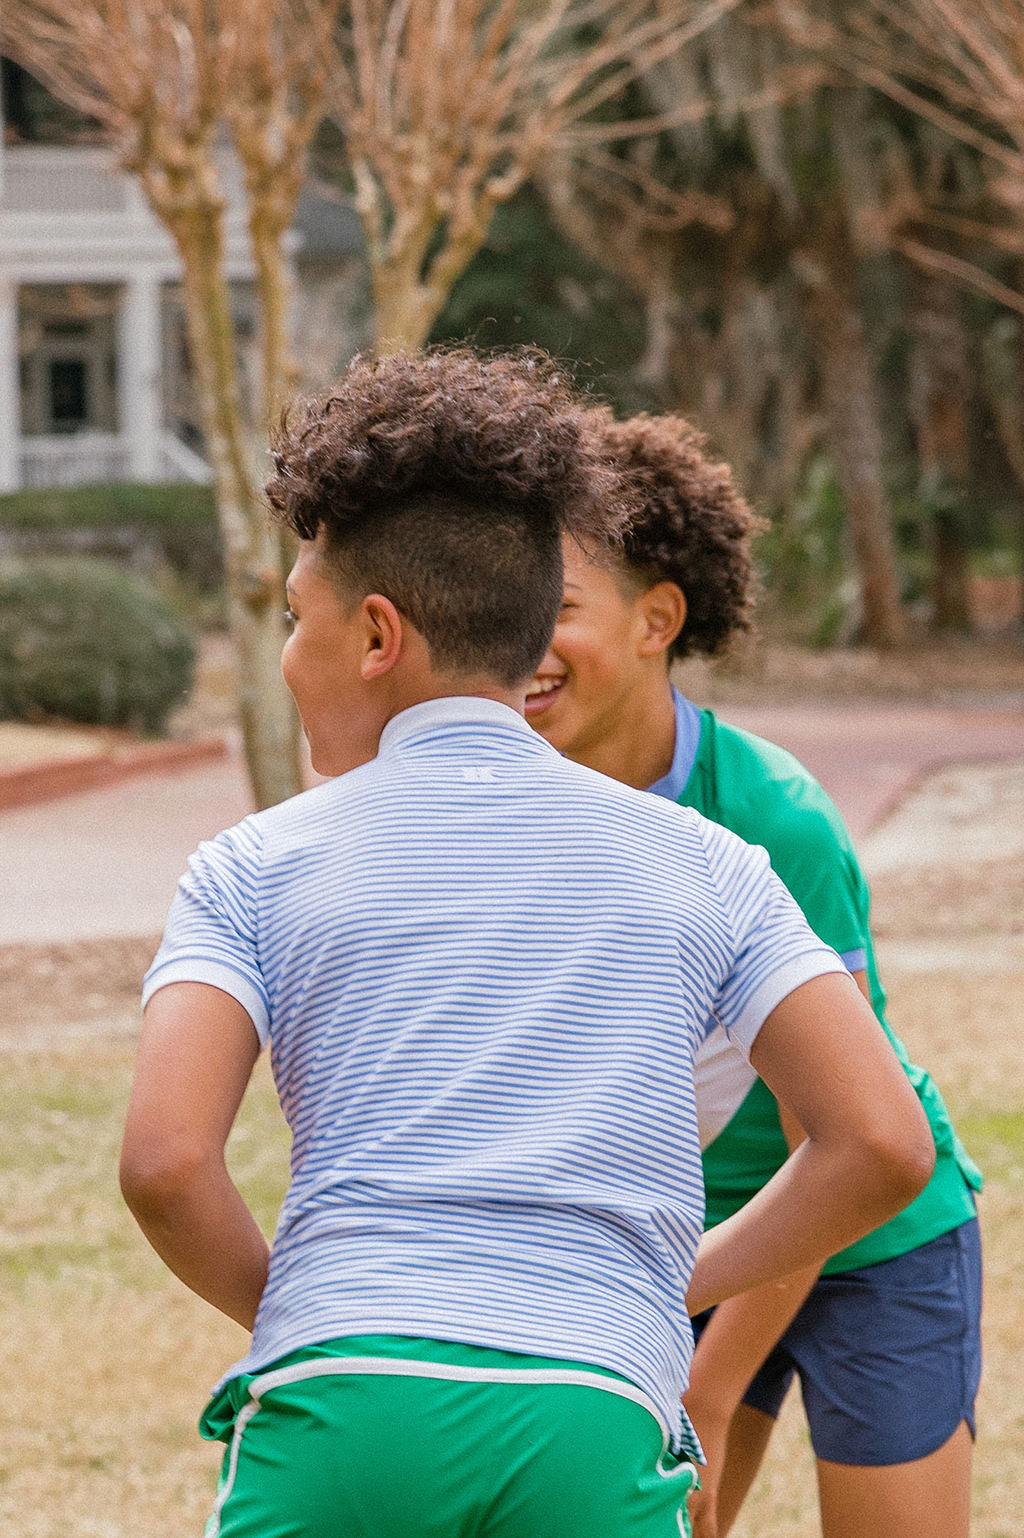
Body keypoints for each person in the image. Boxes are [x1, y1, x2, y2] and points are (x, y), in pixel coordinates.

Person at [119, 349, 934, 1538]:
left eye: (298, 620)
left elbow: (163, 1162)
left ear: (378, 634)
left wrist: (314, 1311)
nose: (289, 655)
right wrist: (668, 1279)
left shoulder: (253, 862)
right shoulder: (703, 860)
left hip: (340, 1399)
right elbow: (880, 1141)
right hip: (594, 1403)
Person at [526, 407, 983, 1538]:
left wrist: (714, 1381)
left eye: (559, 608)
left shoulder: (774, 822)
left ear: (656, 619)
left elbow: (836, 1141)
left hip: (863, 1226)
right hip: (667, 1245)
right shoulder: (510, 814)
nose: (522, 642)